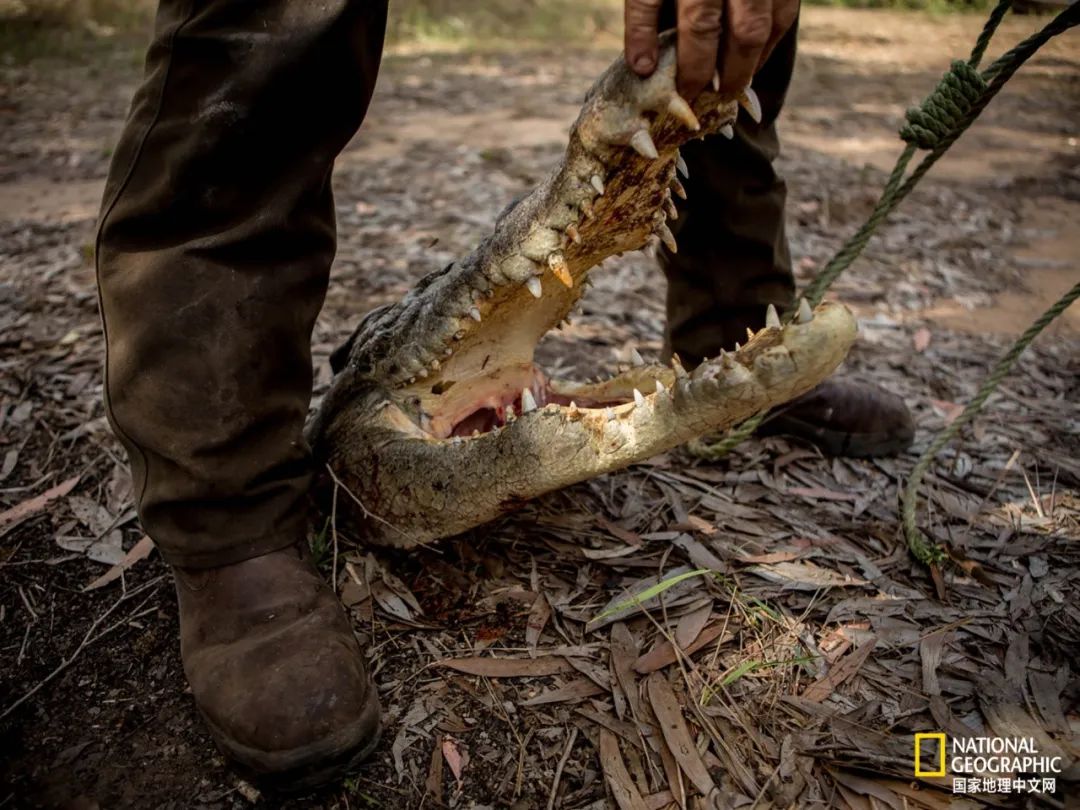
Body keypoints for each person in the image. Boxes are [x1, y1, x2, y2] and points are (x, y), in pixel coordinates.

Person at [94, 0, 912, 788]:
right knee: (268, 32)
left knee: (712, 47)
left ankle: (733, 321)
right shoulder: (368, 425)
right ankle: (225, 518)